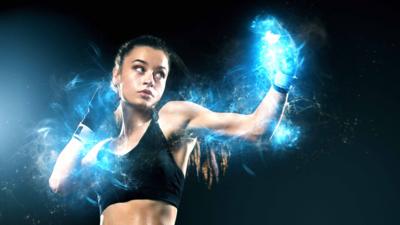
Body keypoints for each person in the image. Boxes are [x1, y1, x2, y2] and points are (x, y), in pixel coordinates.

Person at [49, 35, 291, 225]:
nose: (149, 79)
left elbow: (257, 128)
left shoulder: (172, 117)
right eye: (139, 68)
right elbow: (59, 183)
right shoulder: (102, 152)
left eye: (160, 74)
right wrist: (89, 122)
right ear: (117, 75)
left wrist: (284, 77)